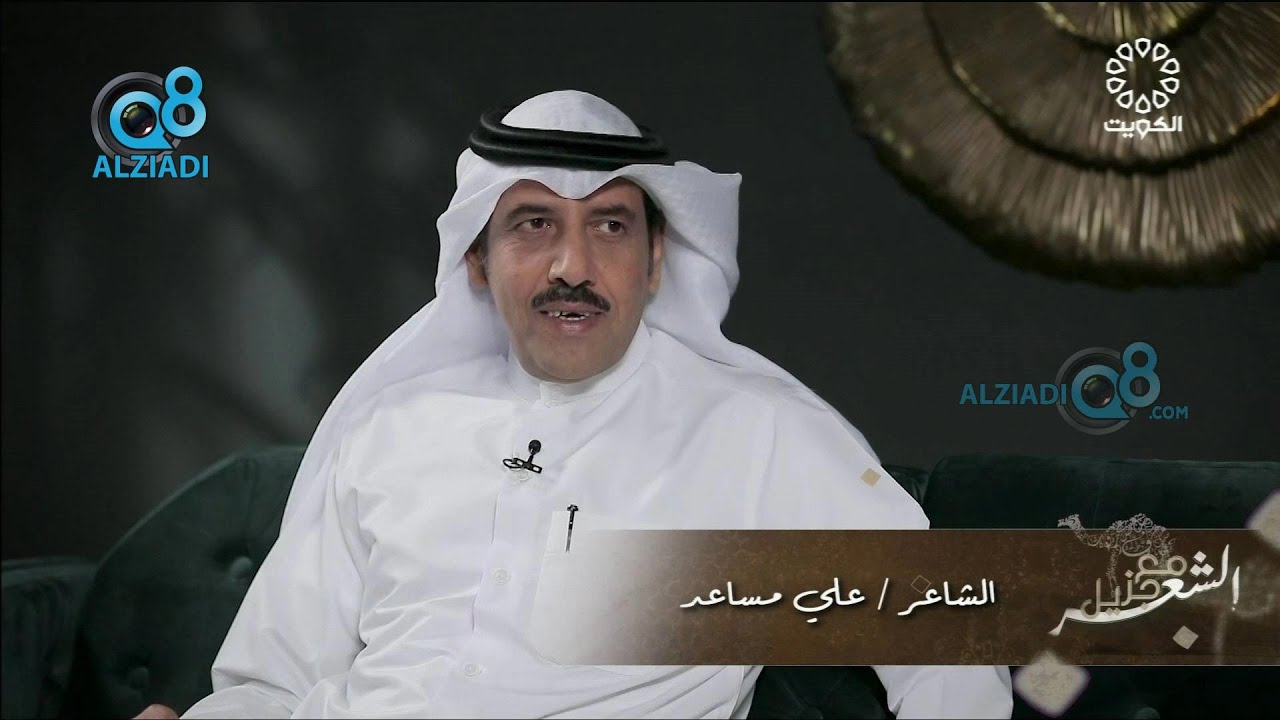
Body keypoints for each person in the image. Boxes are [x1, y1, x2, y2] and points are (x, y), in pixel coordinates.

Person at [137, 90, 1013, 719]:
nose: (572, 267)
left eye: (610, 226)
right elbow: (270, 682)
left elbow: (948, 642)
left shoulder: (756, 431)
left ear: (656, 260)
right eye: (533, 225)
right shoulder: (390, 427)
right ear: (477, 259)